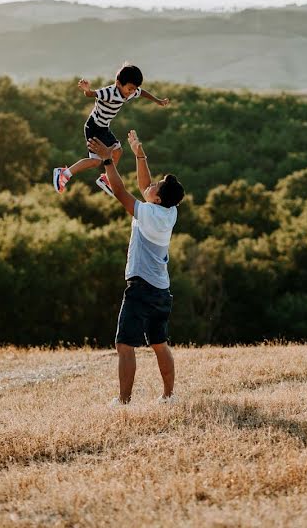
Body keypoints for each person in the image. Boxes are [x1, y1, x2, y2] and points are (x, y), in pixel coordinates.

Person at [86, 130, 185, 406]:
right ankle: (168, 396)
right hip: (161, 290)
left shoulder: (150, 213)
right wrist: (138, 153)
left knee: (124, 344)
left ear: (156, 199)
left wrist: (108, 160)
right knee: (159, 342)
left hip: (141, 288)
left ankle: (124, 401)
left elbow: (120, 191)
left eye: (157, 185)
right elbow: (145, 188)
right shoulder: (169, 211)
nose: (152, 184)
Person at [53, 63, 169, 196]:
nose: (131, 93)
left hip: (103, 127)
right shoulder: (109, 92)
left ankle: (106, 179)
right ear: (118, 83)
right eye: (130, 89)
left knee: (118, 151)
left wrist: (157, 101)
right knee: (96, 161)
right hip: (94, 126)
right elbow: (92, 94)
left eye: (133, 89)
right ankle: (64, 174)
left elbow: (141, 92)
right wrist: (87, 89)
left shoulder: (131, 92)